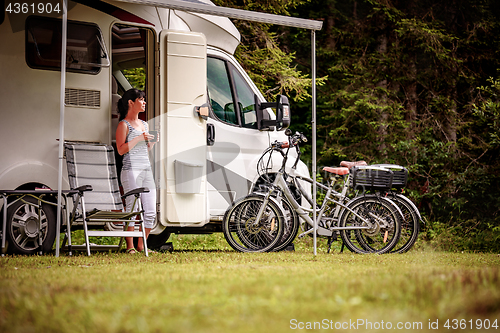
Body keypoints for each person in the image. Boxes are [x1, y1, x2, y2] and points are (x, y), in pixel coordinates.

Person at [115, 88, 158, 254]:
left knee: (150, 211)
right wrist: (140, 137)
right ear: (131, 103)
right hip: (130, 170)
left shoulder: (144, 124)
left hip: (145, 169)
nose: (144, 102)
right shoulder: (123, 125)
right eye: (141, 99)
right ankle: (130, 246)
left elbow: (143, 150)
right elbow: (120, 150)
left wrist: (151, 143)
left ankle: (142, 245)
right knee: (132, 210)